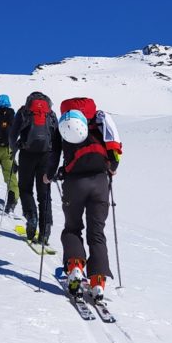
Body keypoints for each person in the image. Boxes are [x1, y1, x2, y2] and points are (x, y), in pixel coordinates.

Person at [45, 97, 122, 301]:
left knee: (72, 228)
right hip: (100, 183)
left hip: (74, 183)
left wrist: (48, 174)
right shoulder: (99, 121)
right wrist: (113, 167)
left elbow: (54, 154)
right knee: (97, 233)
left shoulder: (63, 125)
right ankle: (98, 282)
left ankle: (76, 267)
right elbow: (114, 147)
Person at [9, 91, 59, 244]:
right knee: (44, 194)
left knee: (25, 188)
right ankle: (46, 229)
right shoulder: (50, 114)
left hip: (27, 154)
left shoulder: (24, 111)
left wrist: (13, 152)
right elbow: (57, 137)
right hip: (46, 155)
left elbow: (12, 135)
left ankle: (31, 217)